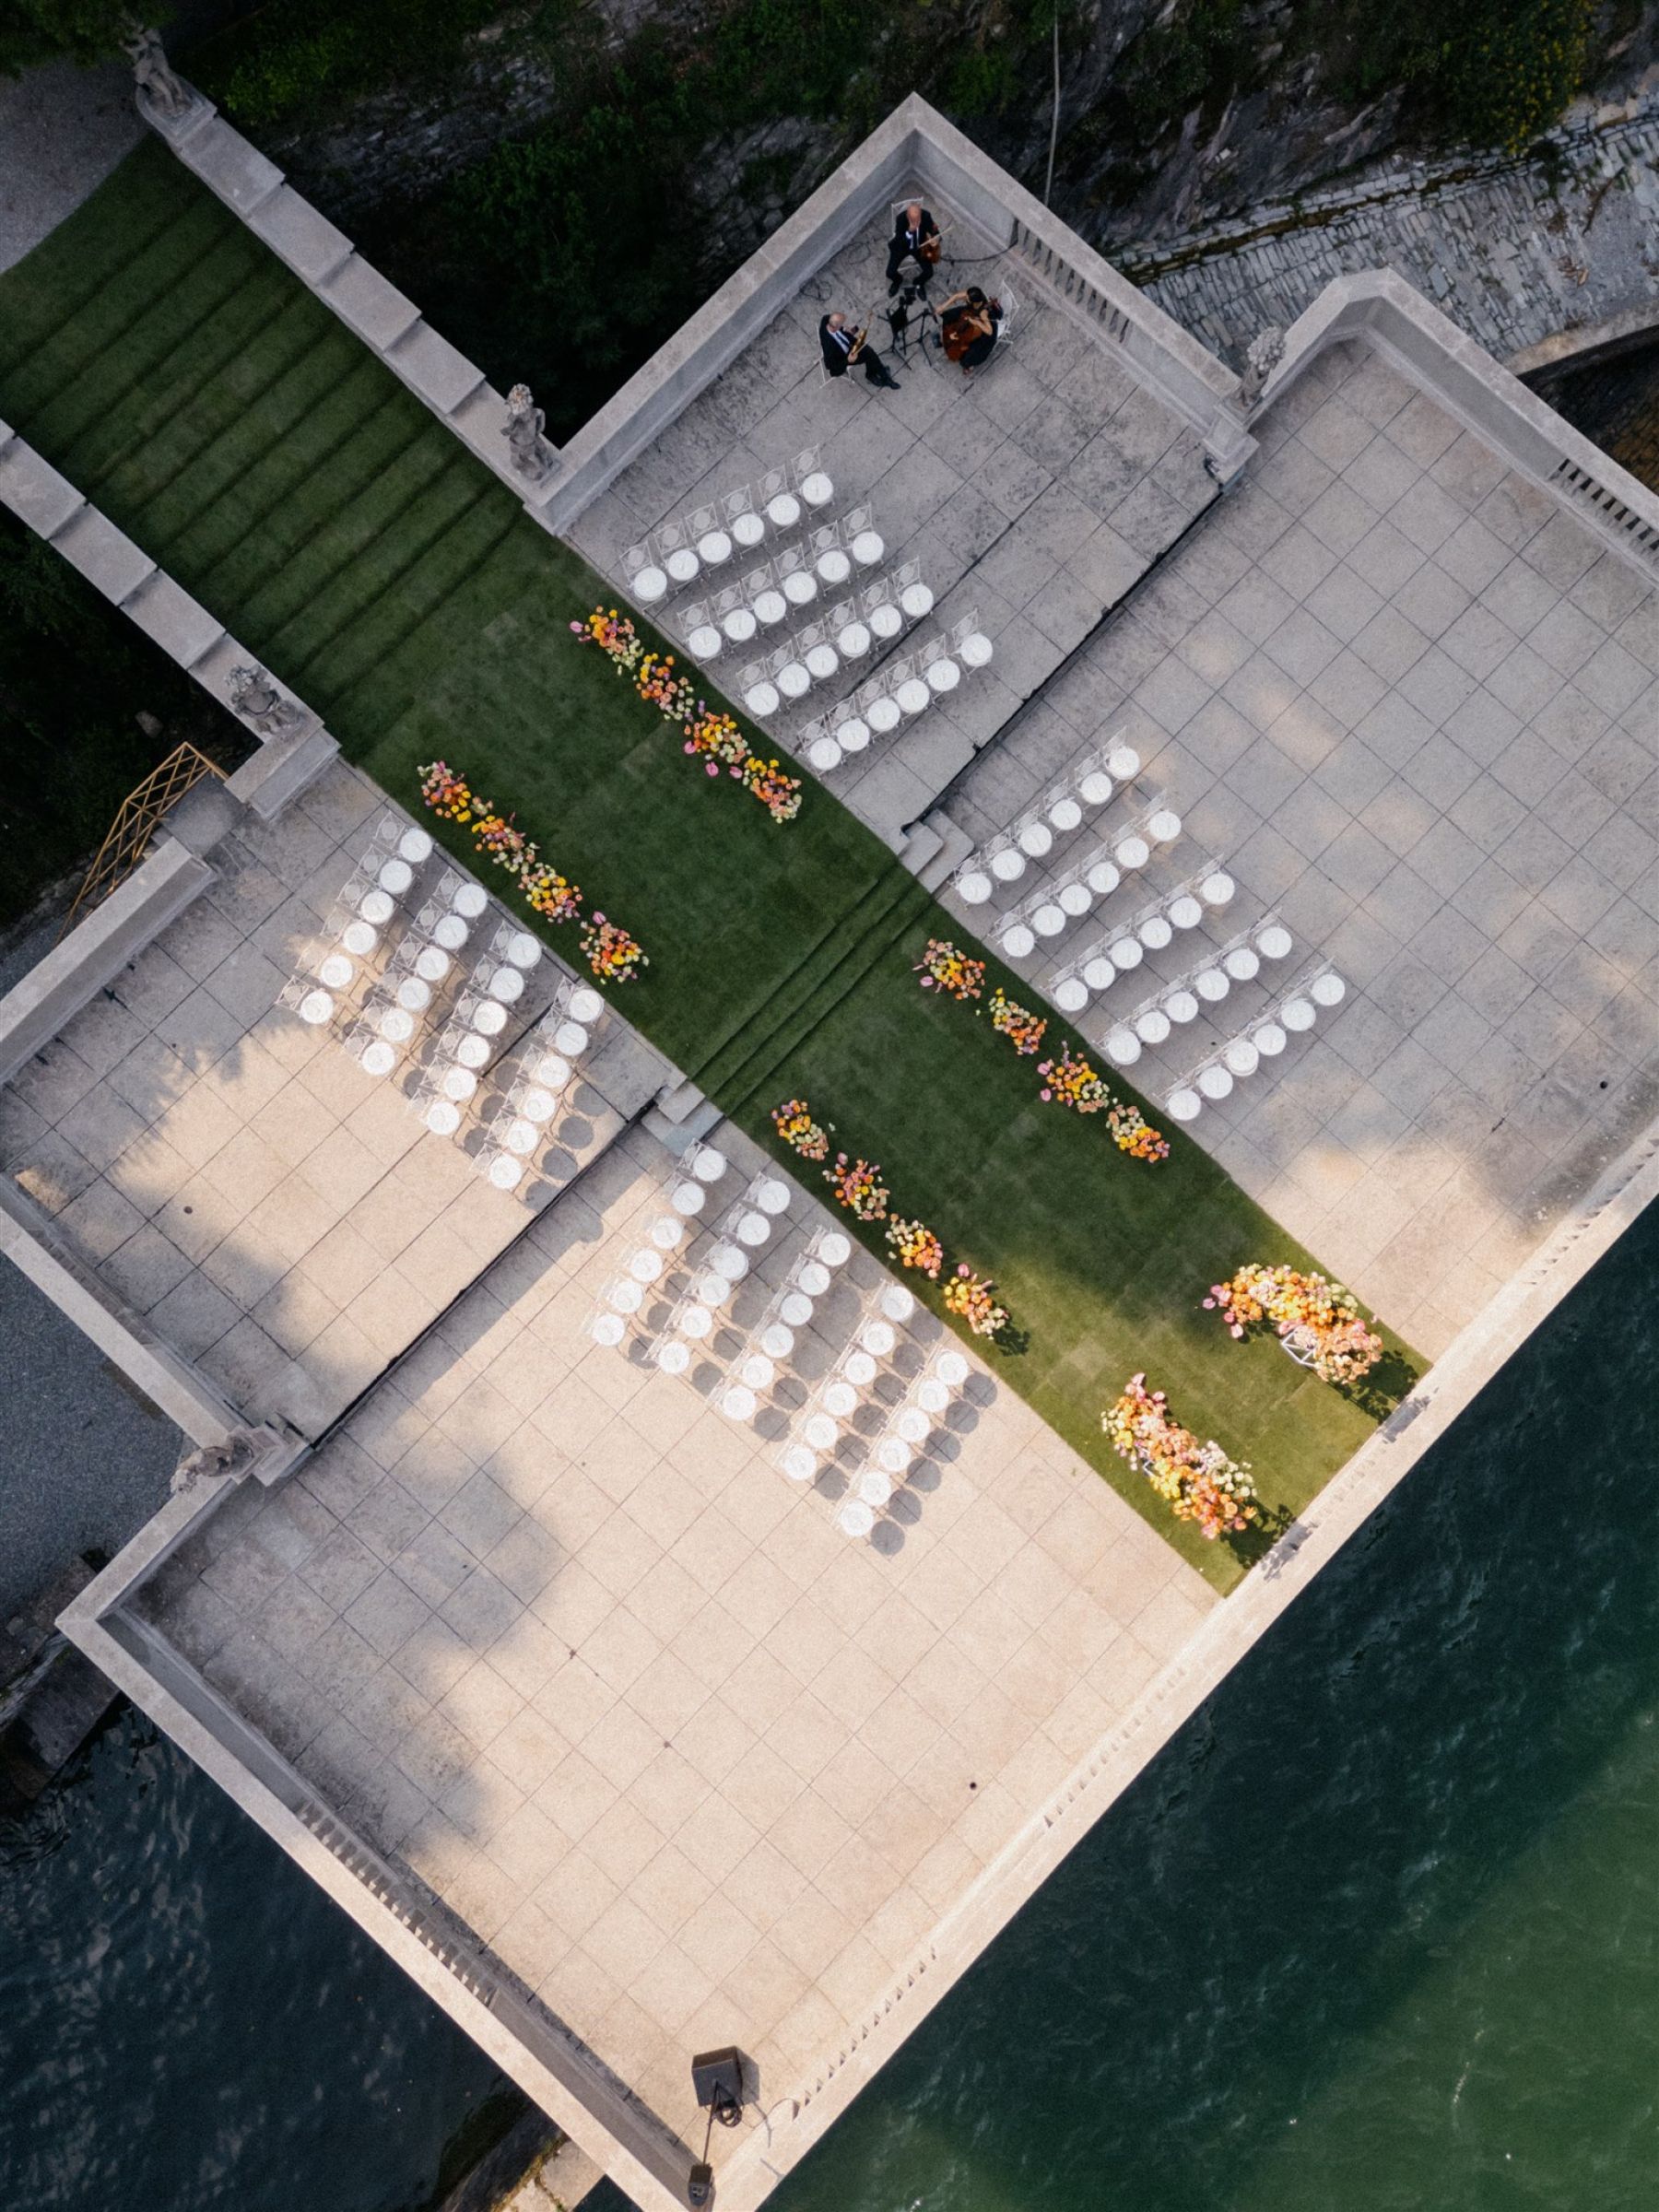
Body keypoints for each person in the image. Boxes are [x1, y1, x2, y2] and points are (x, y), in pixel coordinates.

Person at [819, 311, 900, 391]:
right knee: (870, 354)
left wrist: (844, 328)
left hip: (850, 343)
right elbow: (832, 370)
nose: (843, 325)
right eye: (841, 324)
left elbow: (828, 318)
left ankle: (875, 373)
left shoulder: (826, 321)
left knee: (869, 351)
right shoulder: (829, 347)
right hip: (846, 357)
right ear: (835, 327)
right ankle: (880, 376)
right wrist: (847, 360)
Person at [938, 286, 1003, 374]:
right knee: (953, 315)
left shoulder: (983, 313)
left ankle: (968, 365)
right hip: (973, 314)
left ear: (974, 302)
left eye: (968, 299)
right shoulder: (975, 294)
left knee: (971, 353)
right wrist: (942, 307)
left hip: (986, 334)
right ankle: (949, 335)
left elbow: (989, 331)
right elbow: (956, 296)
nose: (966, 298)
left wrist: (977, 323)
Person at [886, 203, 942, 294]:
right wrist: (909, 231)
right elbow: (899, 240)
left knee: (929, 273)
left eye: (918, 219)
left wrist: (936, 238)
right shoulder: (901, 219)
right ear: (908, 216)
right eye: (913, 221)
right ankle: (898, 281)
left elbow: (934, 230)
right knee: (890, 273)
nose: (917, 223)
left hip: (920, 247)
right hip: (902, 247)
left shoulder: (926, 215)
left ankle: (918, 282)